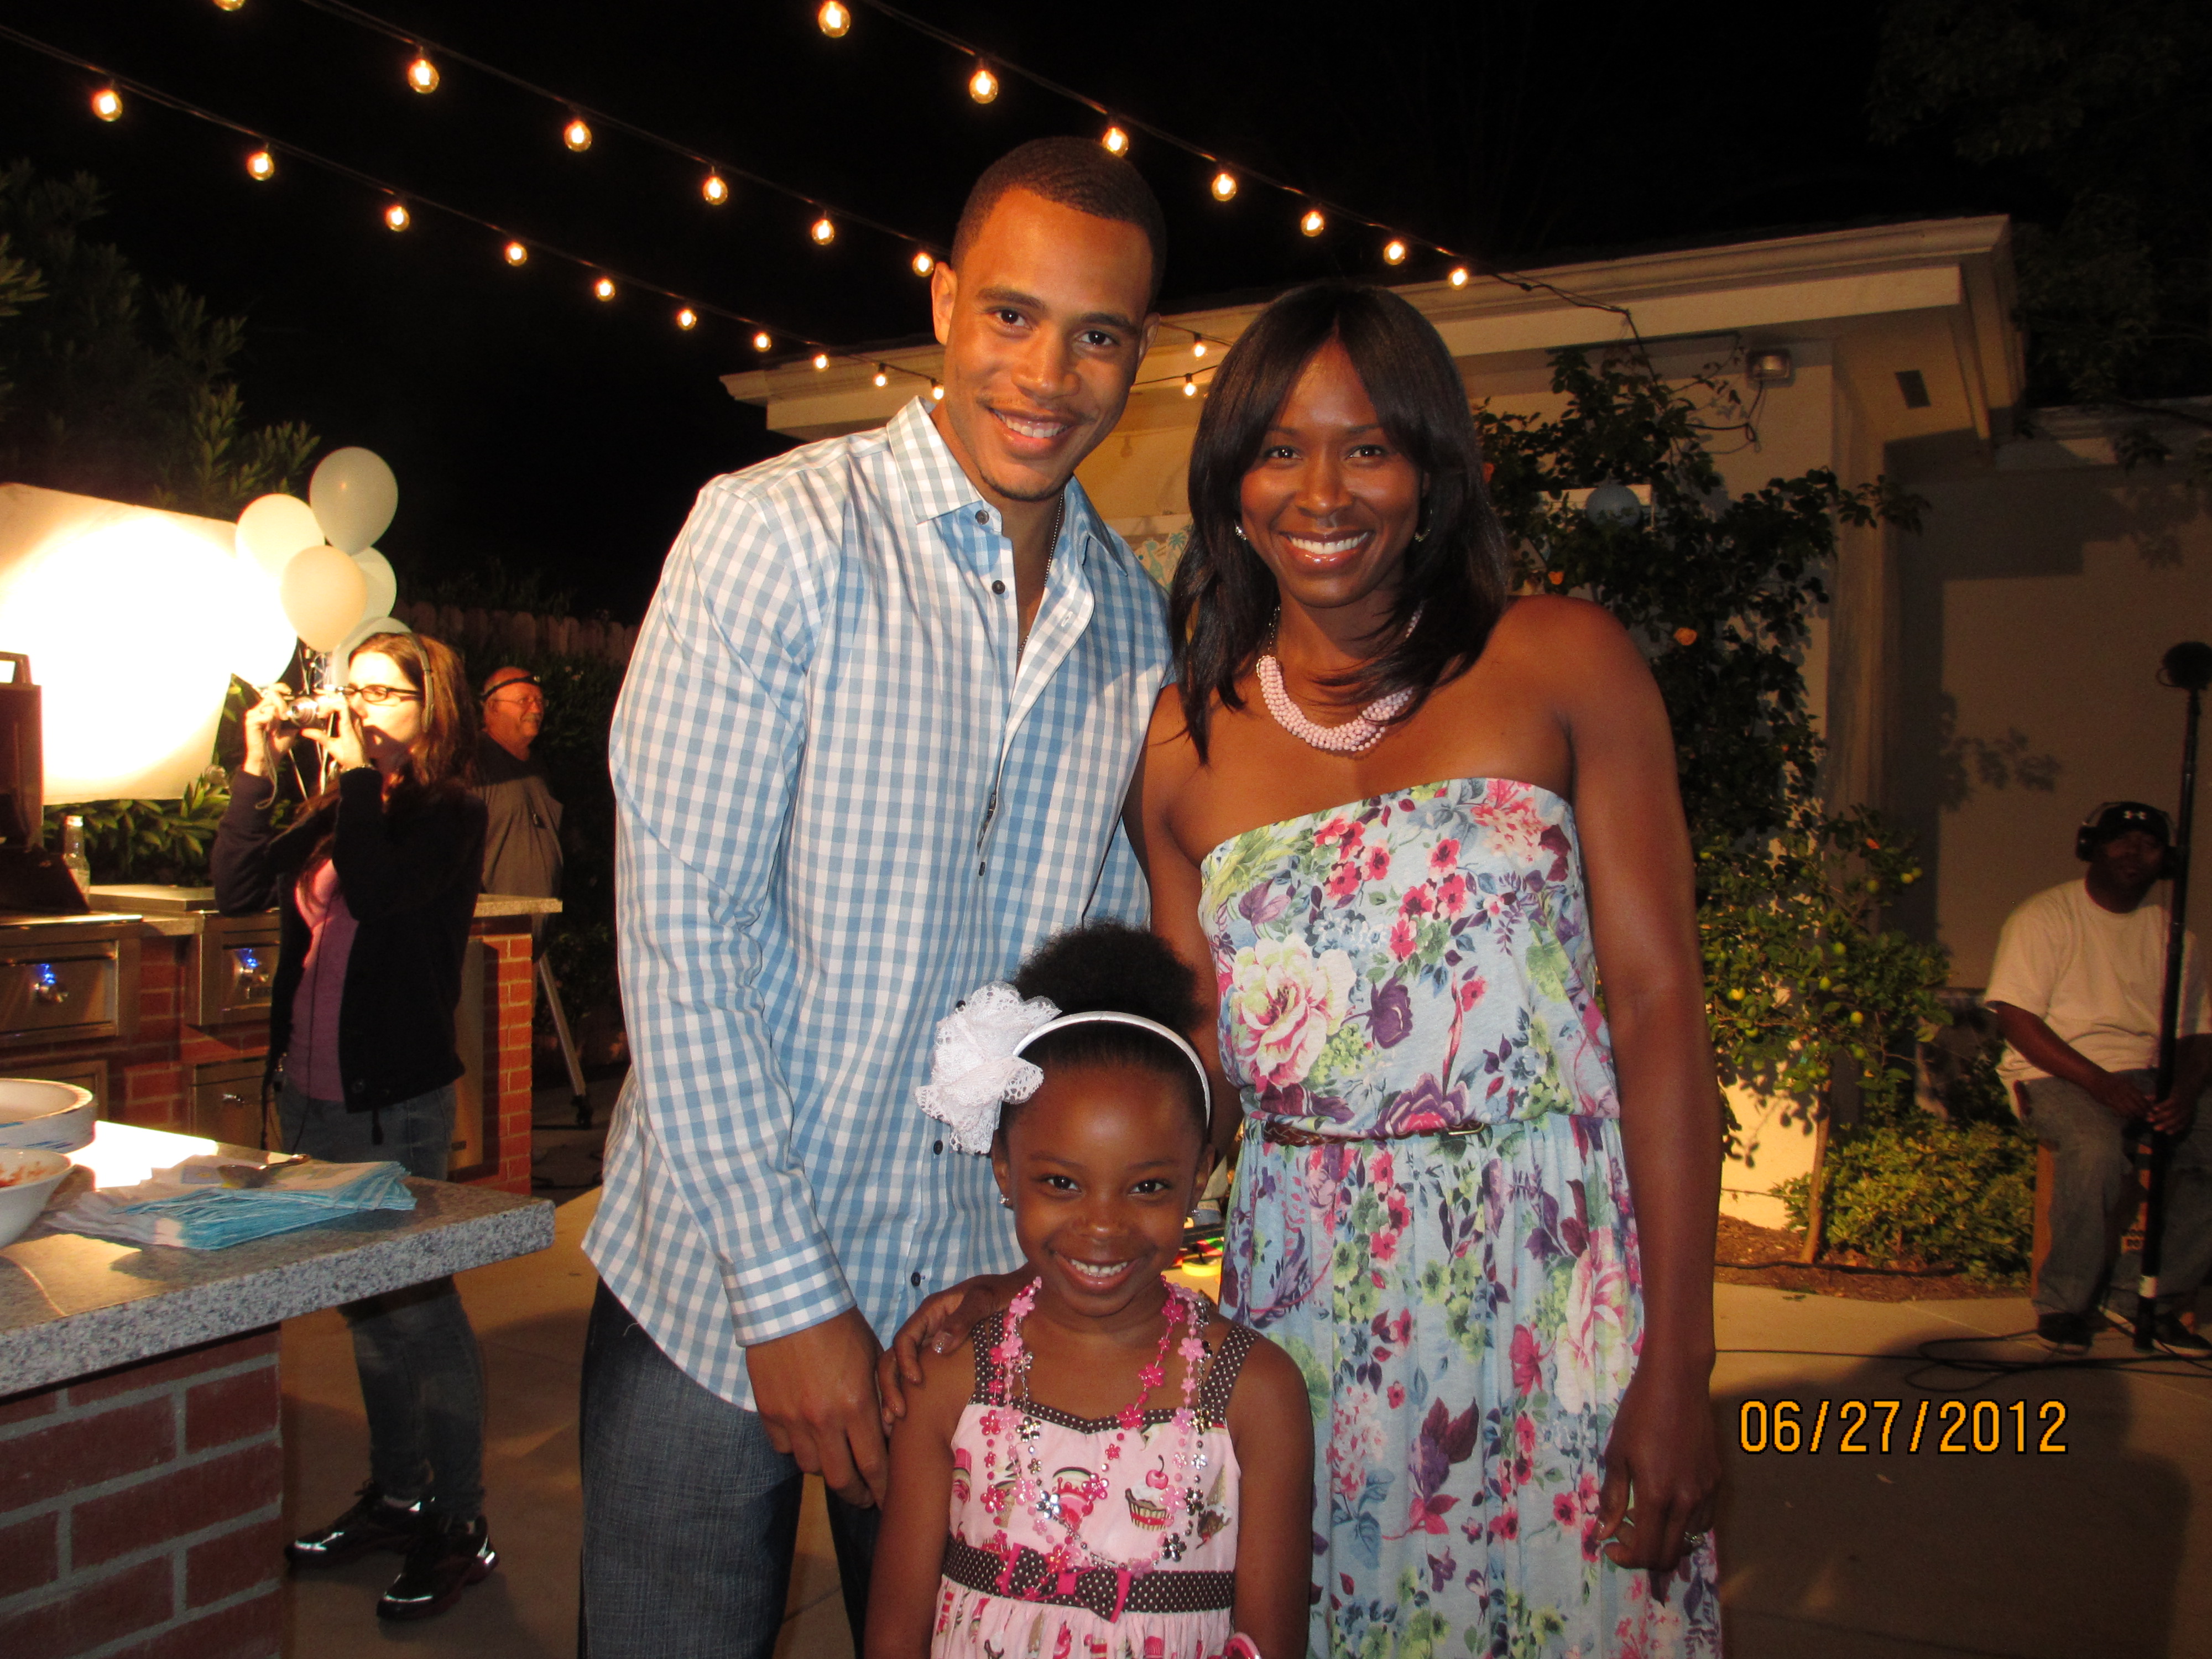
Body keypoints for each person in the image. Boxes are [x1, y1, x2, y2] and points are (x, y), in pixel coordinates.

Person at [580, 135, 1172, 1658]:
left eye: (1098, 333)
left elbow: (1086, 990)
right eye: (1014, 316)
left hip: (959, 1311)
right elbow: (679, 936)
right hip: (714, 1295)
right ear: (945, 302)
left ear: (1139, 357)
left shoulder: (1135, 626)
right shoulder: (778, 533)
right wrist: (785, 1301)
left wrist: (1027, 1273)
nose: (1048, 372)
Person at [1141, 281, 1720, 1655]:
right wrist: (1061, 1244)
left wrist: (1682, 1359)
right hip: (1306, 1317)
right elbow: (1197, 1078)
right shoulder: (1179, 743)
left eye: (1367, 445)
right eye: (1279, 448)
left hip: (1562, 1294)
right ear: (1230, 484)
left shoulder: (1561, 659)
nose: (1321, 488)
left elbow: (1656, 1017)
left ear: (1430, 471)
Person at [865, 923, 1310, 1659]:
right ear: (1004, 1173)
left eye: (1148, 1186)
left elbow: (1270, 1641)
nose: (1103, 1226)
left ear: (1198, 1177)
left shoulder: (1256, 1395)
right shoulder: (947, 1380)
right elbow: (892, 1637)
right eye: (1061, 1182)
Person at [212, 630, 494, 1622]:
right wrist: (256, 770)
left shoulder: (449, 812)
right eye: (355, 690)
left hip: (394, 1100)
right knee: (364, 1311)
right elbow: (237, 890)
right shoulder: (343, 804)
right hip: (313, 1096)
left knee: (418, 1306)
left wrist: (362, 784)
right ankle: (397, 1492)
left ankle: (458, 1521)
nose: (365, 708)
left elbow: (376, 894)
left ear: (433, 708)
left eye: (388, 693)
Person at [1985, 801, 2212, 1357]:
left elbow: (2198, 1031)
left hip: (2147, 1074)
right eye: (2118, 840)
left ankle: (2143, 1300)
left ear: (2166, 861)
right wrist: (2097, 1081)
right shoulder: (2045, 917)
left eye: (2149, 844)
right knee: (2094, 1148)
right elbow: (2016, 1018)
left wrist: (2183, 1091)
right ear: (2090, 848)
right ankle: (2064, 1302)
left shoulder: (2174, 936)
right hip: (2055, 1072)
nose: (2133, 852)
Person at [474, 667, 562, 917]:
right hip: (494, 936)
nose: (536, 710)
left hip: (534, 938)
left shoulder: (538, 768)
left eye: (539, 702)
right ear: (492, 707)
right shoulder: (475, 762)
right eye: (524, 701)